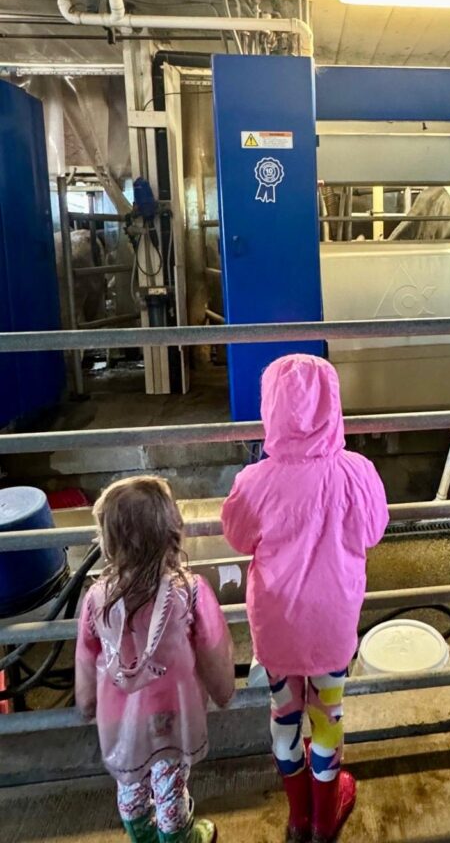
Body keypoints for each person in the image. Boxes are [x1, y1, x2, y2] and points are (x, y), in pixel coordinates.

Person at [222, 354, 388, 843]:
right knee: (326, 716)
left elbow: (236, 535)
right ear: (334, 407)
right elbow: (373, 530)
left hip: (275, 628)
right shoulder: (355, 473)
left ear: (269, 408)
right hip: (331, 627)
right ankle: (324, 814)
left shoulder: (255, 481)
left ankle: (296, 817)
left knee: (285, 716)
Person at [76, 476, 235, 843]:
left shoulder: (96, 599)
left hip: (120, 717)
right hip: (173, 713)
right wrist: (224, 691)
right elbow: (214, 649)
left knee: (130, 781)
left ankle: (142, 835)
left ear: (109, 540)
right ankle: (179, 837)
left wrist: (86, 703)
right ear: (171, 531)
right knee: (169, 780)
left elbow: (86, 656)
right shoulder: (190, 592)